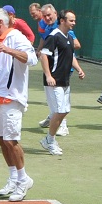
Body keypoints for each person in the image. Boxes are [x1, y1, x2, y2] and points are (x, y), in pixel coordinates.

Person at [0, 7, 37, 199]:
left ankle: (23, 180)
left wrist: (9, 50)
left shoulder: (16, 37)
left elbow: (32, 58)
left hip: (13, 97)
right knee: (0, 138)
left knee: (11, 140)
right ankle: (13, 177)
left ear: (0, 22)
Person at [37, 8, 83, 155]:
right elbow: (44, 56)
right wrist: (49, 76)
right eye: (71, 20)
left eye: (74, 20)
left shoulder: (69, 37)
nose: (74, 23)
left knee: (65, 111)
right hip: (53, 82)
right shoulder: (53, 36)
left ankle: (49, 139)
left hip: (65, 80)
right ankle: (49, 140)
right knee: (59, 111)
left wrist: (79, 69)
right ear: (62, 21)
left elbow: (71, 57)